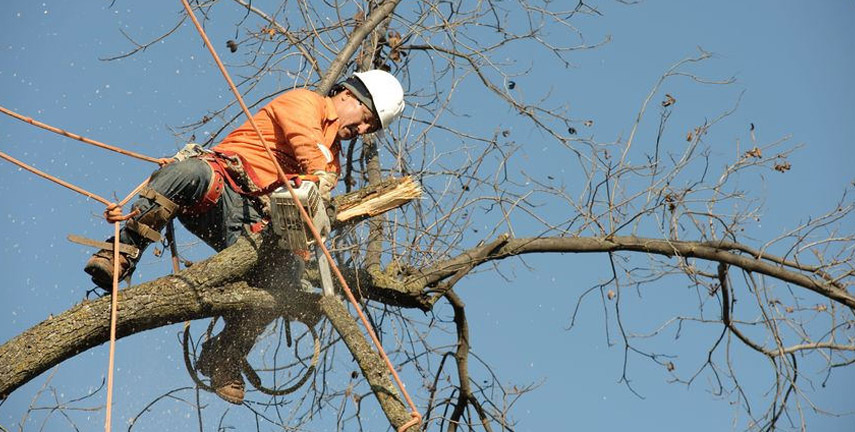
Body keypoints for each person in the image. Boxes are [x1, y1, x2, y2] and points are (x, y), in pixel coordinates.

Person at [82, 70, 405, 404]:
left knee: (285, 278)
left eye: (372, 129)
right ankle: (122, 251)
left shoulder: (331, 159)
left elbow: (316, 181)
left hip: (253, 225)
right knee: (188, 171)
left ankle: (225, 354)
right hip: (220, 188)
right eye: (367, 118)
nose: (363, 130)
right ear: (349, 95)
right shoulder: (305, 103)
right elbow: (304, 141)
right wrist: (320, 175)